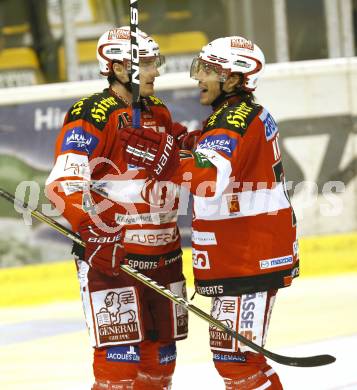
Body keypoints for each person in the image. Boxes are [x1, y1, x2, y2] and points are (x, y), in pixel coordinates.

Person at [119, 36, 300, 389]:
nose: (199, 77)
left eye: (210, 70)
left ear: (234, 78)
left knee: (236, 361)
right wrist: (171, 140)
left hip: (249, 257)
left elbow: (207, 177)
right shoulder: (237, 115)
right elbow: (205, 152)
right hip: (246, 255)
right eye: (201, 67)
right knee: (239, 360)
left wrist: (161, 156)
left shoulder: (233, 120)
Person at [45, 26, 197, 390]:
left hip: (164, 257)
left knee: (160, 368)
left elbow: (182, 163)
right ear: (117, 68)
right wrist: (91, 229)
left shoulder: (158, 111)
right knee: (118, 371)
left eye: (154, 61)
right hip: (114, 258)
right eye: (146, 63)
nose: (155, 71)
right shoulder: (92, 113)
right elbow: (63, 185)